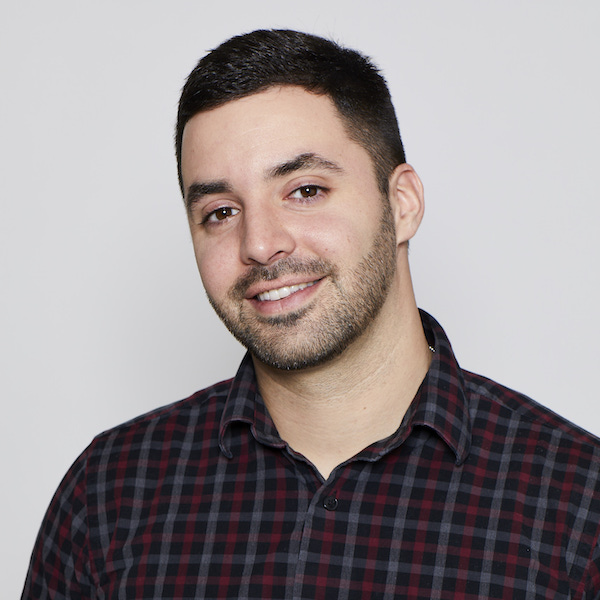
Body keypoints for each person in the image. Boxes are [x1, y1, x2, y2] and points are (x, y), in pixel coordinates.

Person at [22, 29, 600, 599]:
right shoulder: (108, 496)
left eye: (305, 191)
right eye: (221, 211)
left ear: (402, 204)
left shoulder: (578, 504)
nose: (260, 244)